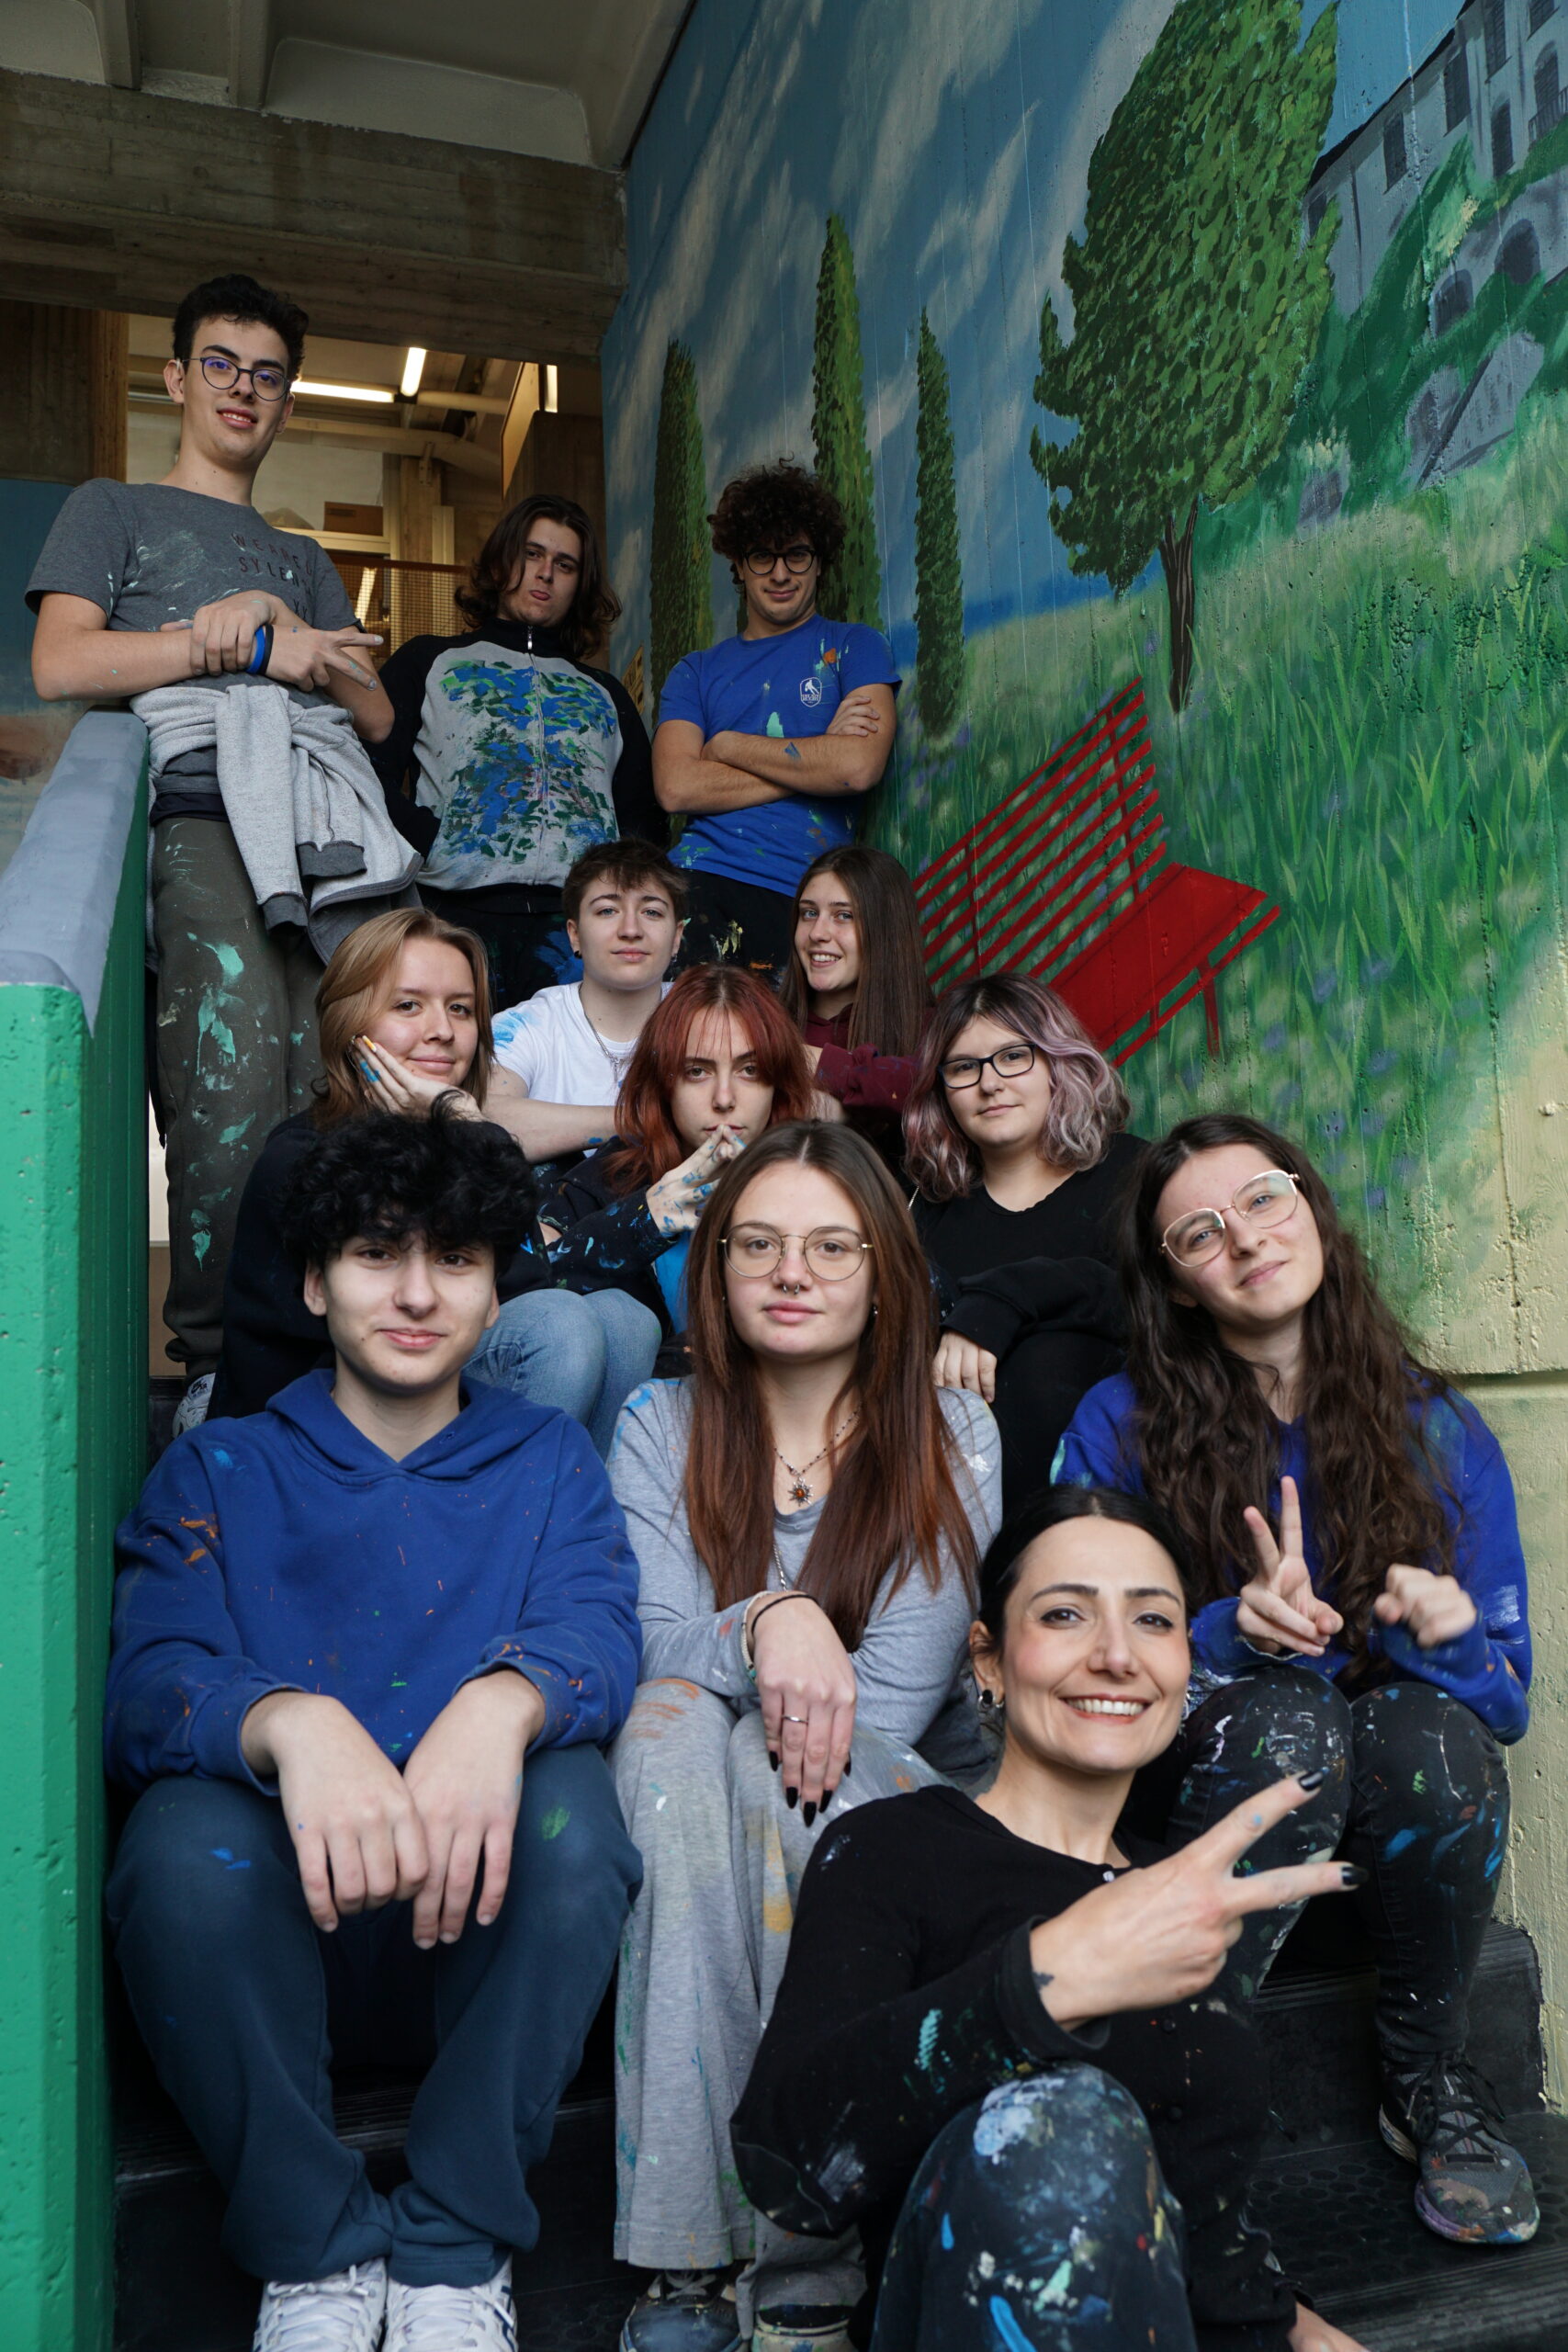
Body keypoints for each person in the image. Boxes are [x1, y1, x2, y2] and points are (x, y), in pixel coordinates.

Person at [105, 1109, 644, 2352]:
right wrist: (291, 1722)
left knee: (575, 1817)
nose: (414, 1293)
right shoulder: (220, 1467)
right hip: (271, 1948)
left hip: (482, 1941)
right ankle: (315, 2251)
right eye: (374, 1253)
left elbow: (598, 1635)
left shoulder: (549, 1458)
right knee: (176, 1844)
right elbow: (148, 1684)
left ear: (495, 1292)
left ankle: (455, 2247)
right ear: (314, 1282)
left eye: (454, 1259)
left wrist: (498, 1703)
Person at [730, 1485, 1368, 2352]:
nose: (1115, 1655)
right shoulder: (892, 1849)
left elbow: (1197, 2197)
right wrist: (1041, 1983)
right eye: (1065, 1614)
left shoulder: (1174, 1894)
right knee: (1062, 2124)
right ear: (988, 1661)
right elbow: (789, 2164)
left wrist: (1285, 2318)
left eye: (1152, 1621)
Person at [1056, 1113, 1536, 2248]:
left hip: (1389, 1808)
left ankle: (1427, 2075)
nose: (1244, 1238)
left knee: (1426, 1733)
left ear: (1311, 1207)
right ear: (1177, 1285)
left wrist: (1450, 1640)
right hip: (1202, 1787)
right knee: (1291, 1717)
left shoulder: (1437, 1428)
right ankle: (1178, 2080)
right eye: (1199, 1233)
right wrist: (1223, 1632)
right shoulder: (1117, 1424)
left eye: (1264, 1198)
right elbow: (1065, 1655)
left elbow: (1507, 1706)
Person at [609, 1122, 1003, 2352]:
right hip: (697, 1788)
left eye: (833, 1247)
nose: (792, 1272)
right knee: (674, 1729)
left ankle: (802, 2217)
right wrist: (771, 1617)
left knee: (748, 1751)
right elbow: (653, 1647)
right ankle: (689, 2241)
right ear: (716, 1268)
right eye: (759, 1245)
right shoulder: (657, 1421)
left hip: (891, 1810)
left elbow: (877, 1713)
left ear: (885, 1273)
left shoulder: (951, 1432)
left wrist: (751, 1655)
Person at [28, 270, 410, 1416]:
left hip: (323, 828)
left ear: (286, 399)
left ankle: (339, 1350)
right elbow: (61, 663)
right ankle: (214, 1369)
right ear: (177, 377)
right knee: (228, 1081)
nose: (244, 388)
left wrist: (286, 622)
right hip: (200, 814)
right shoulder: (113, 507)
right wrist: (233, 647)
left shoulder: (302, 556)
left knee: (341, 1084)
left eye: (269, 375)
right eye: (222, 364)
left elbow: (377, 715)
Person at [210, 908, 660, 1458]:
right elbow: (522, 1288)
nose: (442, 1031)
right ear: (350, 1024)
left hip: (418, 1385)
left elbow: (528, 1276)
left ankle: (568, 1507)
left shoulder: (450, 1142)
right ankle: (494, 1511)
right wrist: (473, 1130)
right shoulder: (304, 1155)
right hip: (302, 1434)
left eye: (460, 1009)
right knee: (558, 1325)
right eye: (408, 1005)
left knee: (627, 1321)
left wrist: (463, 1123)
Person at [373, 493, 664, 1011]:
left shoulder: (605, 692)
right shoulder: (428, 660)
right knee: (452, 1056)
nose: (545, 573)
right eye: (532, 554)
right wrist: (429, 838)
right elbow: (364, 771)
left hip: (576, 933)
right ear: (501, 561)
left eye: (565, 564)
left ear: (579, 584)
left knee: (575, 1062)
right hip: (453, 918)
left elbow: (643, 819)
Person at [903, 973, 1144, 1509]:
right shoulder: (922, 1207)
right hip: (944, 1506)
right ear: (942, 1090)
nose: (989, 1084)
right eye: (963, 1067)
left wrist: (1005, 1300)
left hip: (1110, 1503)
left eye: (1013, 1057)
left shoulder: (1133, 1174)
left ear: (1057, 1063)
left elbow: (1159, 1306)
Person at [653, 463, 899, 979]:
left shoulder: (855, 647)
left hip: (805, 903)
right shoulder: (694, 671)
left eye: (797, 554)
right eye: (762, 556)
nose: (781, 574)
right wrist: (819, 755)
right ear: (738, 566)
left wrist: (725, 746)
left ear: (819, 561)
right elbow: (676, 788)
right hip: (696, 881)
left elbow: (857, 768)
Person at [536, 964, 815, 1354]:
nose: (724, 1098)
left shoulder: (817, 1180)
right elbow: (523, 1294)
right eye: (697, 1071)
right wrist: (644, 1220)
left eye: (749, 1070)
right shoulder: (613, 1176)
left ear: (778, 1083)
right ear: (664, 1083)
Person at [489, 838, 686, 1171]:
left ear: (677, 936)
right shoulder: (528, 1026)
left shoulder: (710, 1016)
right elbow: (485, 1123)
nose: (631, 930)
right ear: (574, 934)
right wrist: (644, 1122)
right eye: (607, 910)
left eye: (651, 912)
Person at [776, 845, 931, 1150]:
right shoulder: (767, 1018)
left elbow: (929, 1092)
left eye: (843, 915)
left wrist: (796, 1057)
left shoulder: (932, 1028)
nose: (817, 932)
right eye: (809, 913)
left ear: (885, 931)